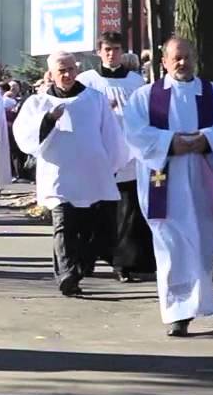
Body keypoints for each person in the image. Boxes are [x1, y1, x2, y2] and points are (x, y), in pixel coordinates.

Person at [123, 37, 213, 337]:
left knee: (205, 242)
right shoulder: (145, 96)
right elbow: (135, 132)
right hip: (164, 181)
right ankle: (178, 312)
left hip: (205, 180)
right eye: (176, 57)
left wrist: (206, 139)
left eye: (187, 57)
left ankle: (200, 300)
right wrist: (170, 143)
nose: (182, 62)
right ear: (163, 61)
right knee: (171, 246)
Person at [15, 51, 128, 296]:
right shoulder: (39, 103)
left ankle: (80, 267)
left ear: (76, 70)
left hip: (91, 174)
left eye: (69, 69)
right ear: (51, 75)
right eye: (61, 71)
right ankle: (66, 275)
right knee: (63, 226)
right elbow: (24, 137)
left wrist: (113, 164)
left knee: (88, 230)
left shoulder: (95, 99)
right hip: (58, 176)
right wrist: (47, 120)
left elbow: (111, 135)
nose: (66, 75)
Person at [77, 32, 155, 282]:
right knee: (93, 211)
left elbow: (145, 114)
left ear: (123, 51)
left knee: (127, 212)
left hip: (130, 154)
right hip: (98, 152)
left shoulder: (136, 82)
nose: (112, 54)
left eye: (117, 49)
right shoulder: (86, 81)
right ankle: (87, 259)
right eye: (107, 49)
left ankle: (123, 263)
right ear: (99, 51)